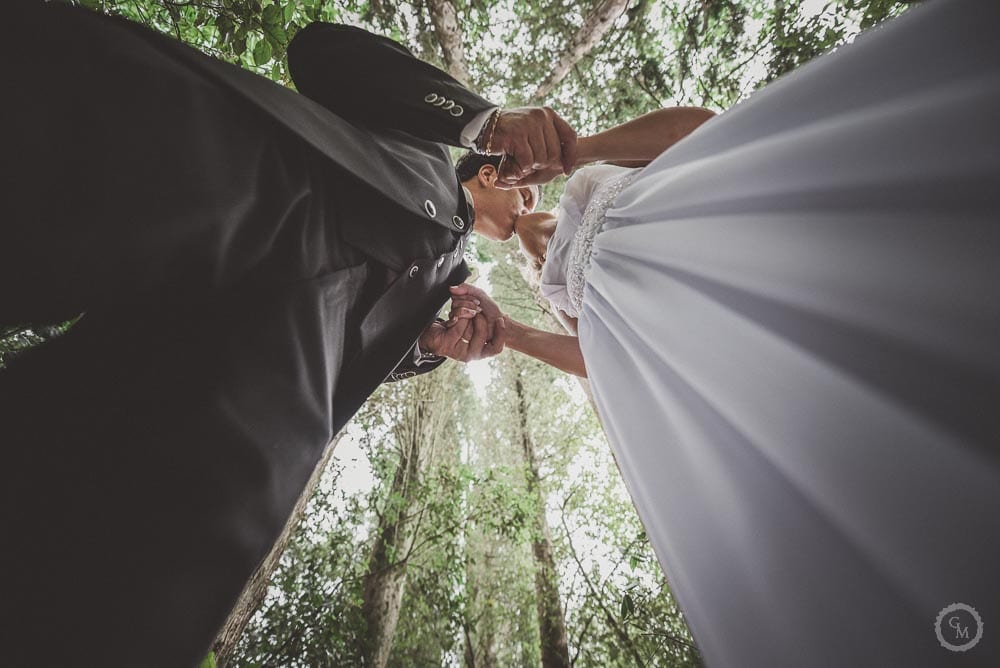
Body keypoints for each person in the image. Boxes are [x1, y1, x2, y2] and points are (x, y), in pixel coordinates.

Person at [0, 2, 571, 665]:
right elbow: (319, 52)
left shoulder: (449, 291)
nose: (528, 208)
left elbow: (358, 351)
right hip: (221, 171)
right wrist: (484, 120)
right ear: (492, 172)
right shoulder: (422, 143)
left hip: (251, 389)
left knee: (109, 576)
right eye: (527, 195)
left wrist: (427, 345)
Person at [455, 0, 1000, 665]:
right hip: (678, 347)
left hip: (710, 238)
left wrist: (576, 153)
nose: (478, 221)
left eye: (475, 205)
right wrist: (509, 332)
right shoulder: (543, 279)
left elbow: (706, 132)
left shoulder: (580, 177)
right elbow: (596, 356)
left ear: (489, 176)